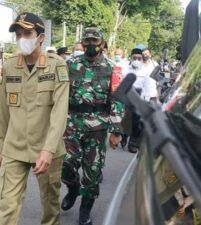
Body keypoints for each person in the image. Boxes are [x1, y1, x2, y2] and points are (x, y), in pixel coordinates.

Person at [0, 12, 70, 225]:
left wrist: (48, 149)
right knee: (6, 208)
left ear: (40, 37)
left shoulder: (57, 66)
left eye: (27, 33)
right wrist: (1, 148)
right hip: (14, 148)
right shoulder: (9, 66)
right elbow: (3, 112)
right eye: (18, 34)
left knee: (50, 208)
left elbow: (59, 111)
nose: (22, 38)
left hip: (47, 148)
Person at [61, 27, 124, 225]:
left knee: (93, 171)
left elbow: (117, 100)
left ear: (102, 44)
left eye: (94, 41)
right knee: (66, 165)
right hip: (72, 122)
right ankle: (72, 188)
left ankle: (85, 210)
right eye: (87, 41)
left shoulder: (112, 68)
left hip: (98, 126)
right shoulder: (70, 64)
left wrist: (116, 131)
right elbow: (59, 93)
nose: (90, 45)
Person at [121, 48, 158, 153]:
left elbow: (147, 87)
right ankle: (124, 136)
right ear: (131, 58)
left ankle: (132, 143)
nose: (137, 60)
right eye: (134, 58)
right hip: (126, 97)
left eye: (139, 58)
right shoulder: (124, 69)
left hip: (139, 98)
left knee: (136, 122)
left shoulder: (146, 71)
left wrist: (145, 102)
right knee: (126, 120)